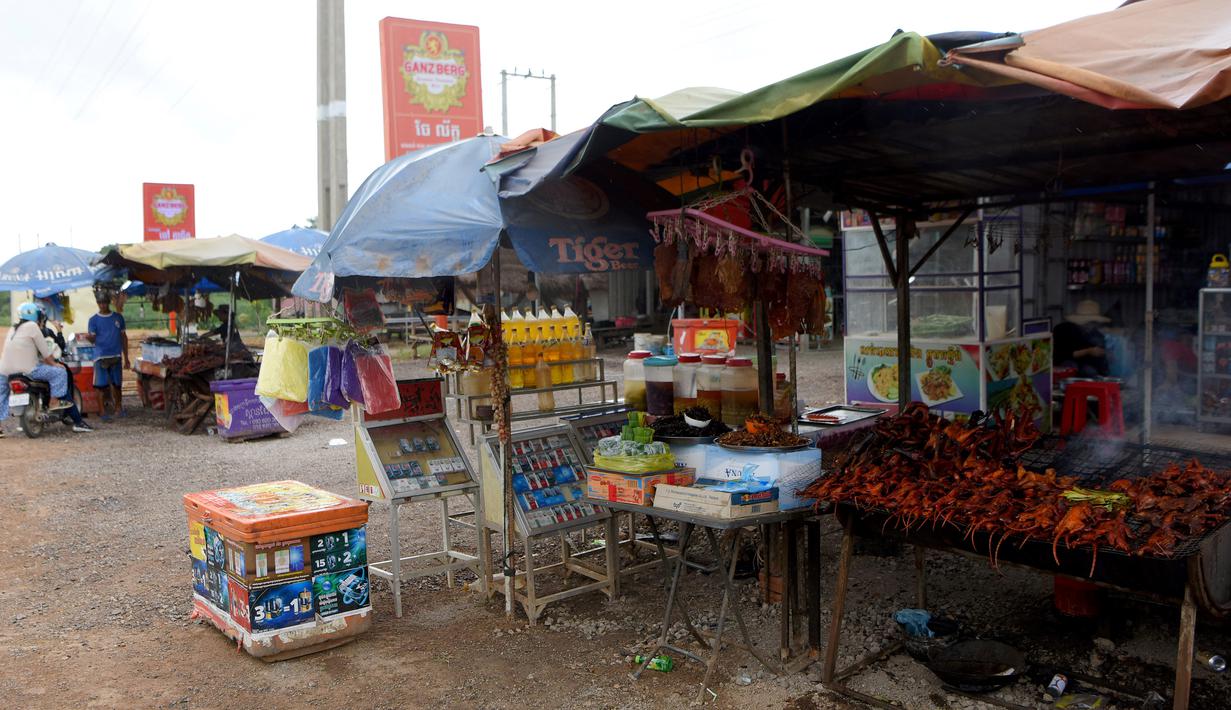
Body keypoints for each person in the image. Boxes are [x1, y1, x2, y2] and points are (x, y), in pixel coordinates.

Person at [0, 302, 93, 433]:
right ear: (36, 316)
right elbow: (46, 354)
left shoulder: (13, 328)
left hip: (4, 371)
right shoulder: (33, 326)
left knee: (1, 395)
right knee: (60, 373)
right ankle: (54, 402)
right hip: (28, 370)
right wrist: (55, 364)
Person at [88, 294, 128, 420]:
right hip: (101, 356)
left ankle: (118, 407)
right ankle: (102, 411)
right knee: (100, 386)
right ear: (97, 303)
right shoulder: (93, 320)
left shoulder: (118, 318)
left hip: (116, 354)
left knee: (117, 384)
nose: (103, 305)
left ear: (108, 302)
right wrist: (90, 338)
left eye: (104, 302)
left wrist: (126, 357)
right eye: (100, 303)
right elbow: (93, 338)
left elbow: (123, 337)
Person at [1053, 299, 1110, 377]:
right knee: (1071, 366)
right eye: (1086, 322)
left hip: (1085, 365)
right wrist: (1088, 351)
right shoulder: (1063, 330)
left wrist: (1105, 355)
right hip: (1063, 364)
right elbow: (1061, 354)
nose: (1089, 326)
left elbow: (1099, 360)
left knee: (1090, 372)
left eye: (1092, 323)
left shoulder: (1097, 335)